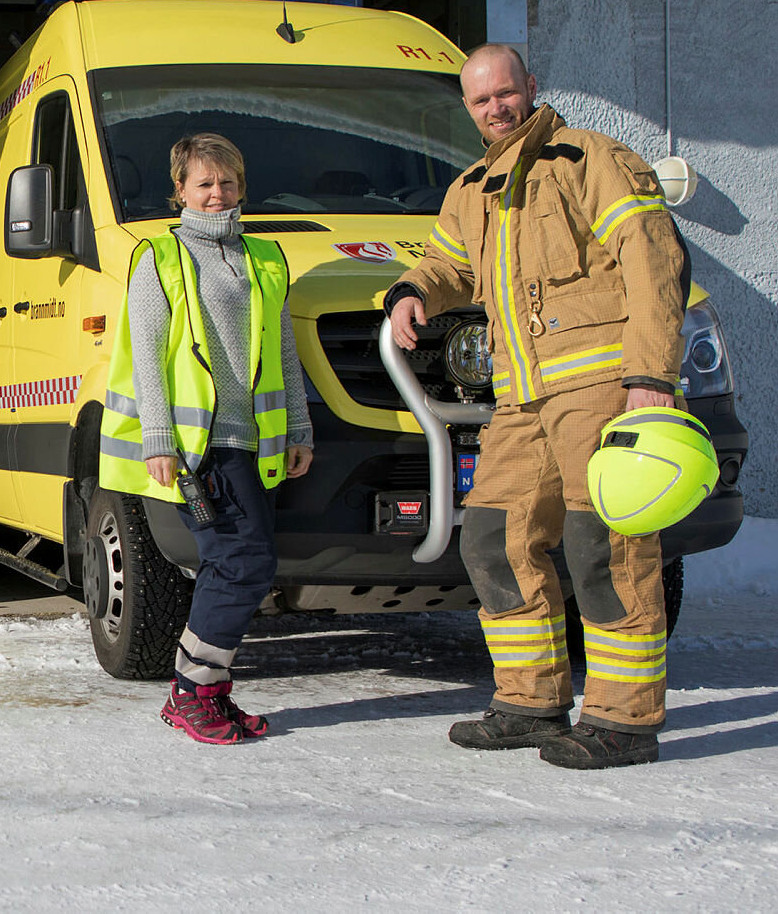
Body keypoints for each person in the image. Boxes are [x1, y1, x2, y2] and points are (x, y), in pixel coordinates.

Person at [387, 44, 688, 769]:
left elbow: (654, 261)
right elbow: (448, 263)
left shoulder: (589, 159)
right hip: (520, 397)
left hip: (600, 386)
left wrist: (652, 374)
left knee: (605, 546)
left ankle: (623, 720)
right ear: (469, 109)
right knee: (492, 538)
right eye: (481, 100)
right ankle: (530, 703)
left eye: (505, 93)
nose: (496, 108)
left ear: (529, 87)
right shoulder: (472, 188)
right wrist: (412, 292)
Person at [99, 133, 313, 745]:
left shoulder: (264, 258)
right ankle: (193, 690)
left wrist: (298, 427)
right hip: (199, 446)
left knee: (237, 562)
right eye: (204, 183)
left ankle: (203, 692)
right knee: (242, 562)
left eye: (227, 181)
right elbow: (145, 355)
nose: (217, 192)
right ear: (180, 190)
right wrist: (159, 440)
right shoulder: (160, 258)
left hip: (254, 443)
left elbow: (284, 349)